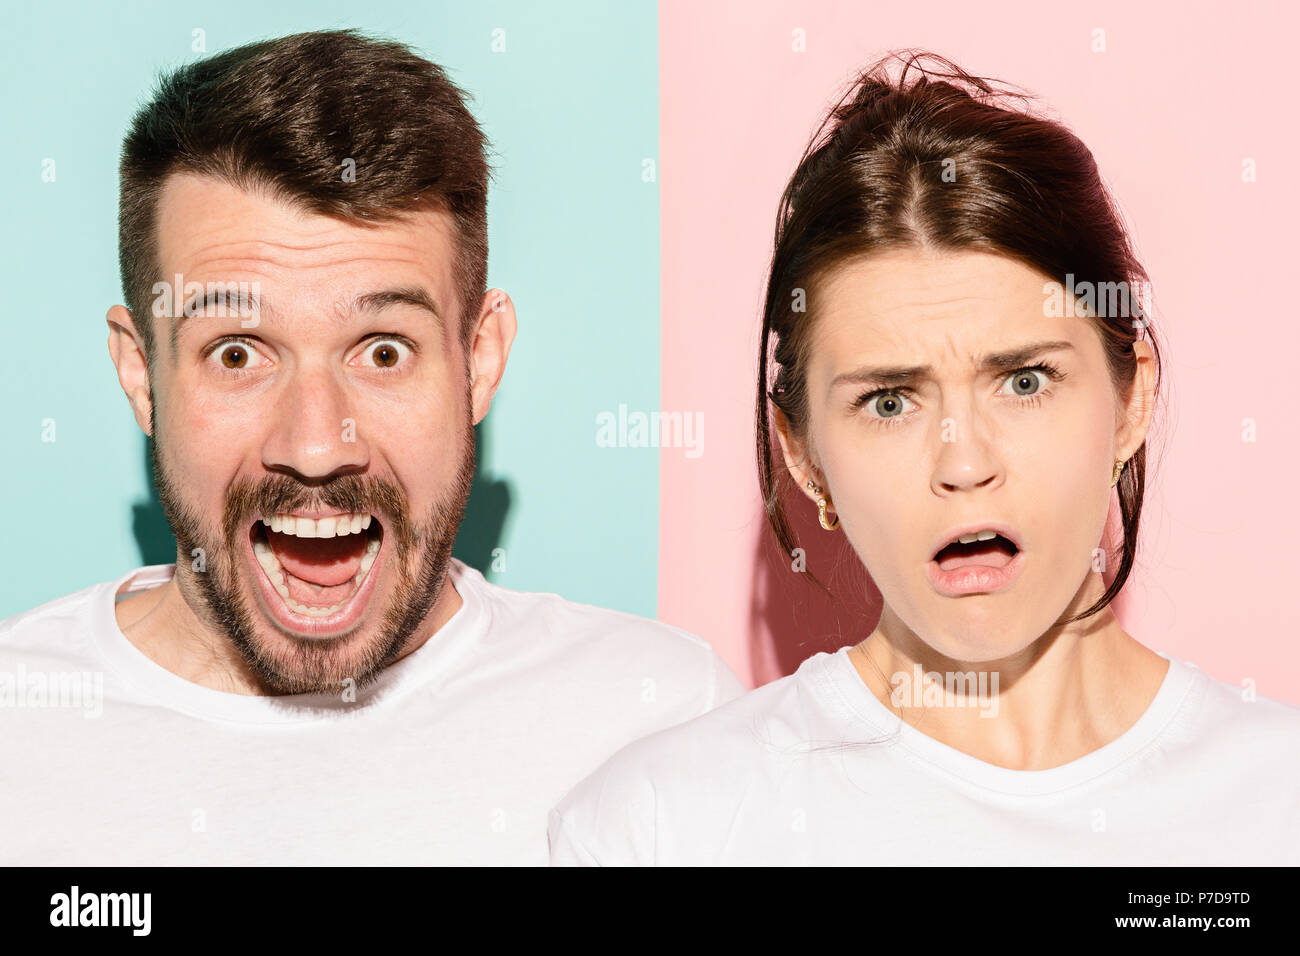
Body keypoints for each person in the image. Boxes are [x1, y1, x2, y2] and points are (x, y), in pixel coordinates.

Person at [0, 28, 744, 865]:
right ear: (142, 374)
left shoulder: (661, 722)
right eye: (237, 353)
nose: (317, 446)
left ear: (479, 359)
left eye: (383, 350)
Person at [549, 51, 1300, 865]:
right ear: (802, 455)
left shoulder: (1276, 798)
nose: (964, 461)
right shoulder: (660, 829)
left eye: (1024, 380)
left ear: (1130, 405)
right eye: (890, 402)